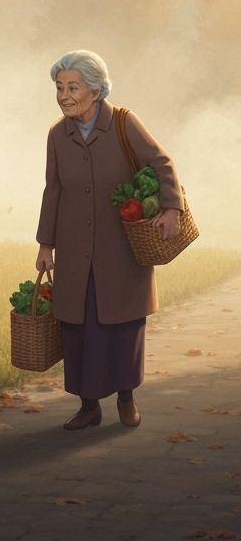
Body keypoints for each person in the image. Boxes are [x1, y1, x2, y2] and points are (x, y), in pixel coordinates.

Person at [35, 49, 184, 430]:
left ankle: (126, 399)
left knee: (121, 324)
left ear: (96, 90)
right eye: (59, 87)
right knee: (78, 325)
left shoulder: (123, 122)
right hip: (73, 249)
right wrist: (45, 245)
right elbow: (52, 190)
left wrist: (171, 208)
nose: (64, 95)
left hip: (120, 248)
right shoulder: (57, 134)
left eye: (73, 87)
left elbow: (161, 162)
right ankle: (88, 406)